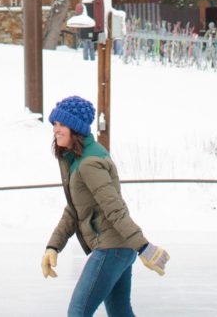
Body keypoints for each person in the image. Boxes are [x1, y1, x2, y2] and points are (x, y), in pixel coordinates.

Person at [41, 95, 168, 317]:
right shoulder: (77, 159)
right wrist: (53, 246)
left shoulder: (89, 163)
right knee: (120, 312)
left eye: (62, 124)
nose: (56, 130)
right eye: (55, 124)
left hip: (113, 248)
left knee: (77, 312)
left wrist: (144, 247)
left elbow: (115, 209)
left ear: (76, 128)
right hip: (119, 247)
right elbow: (74, 210)